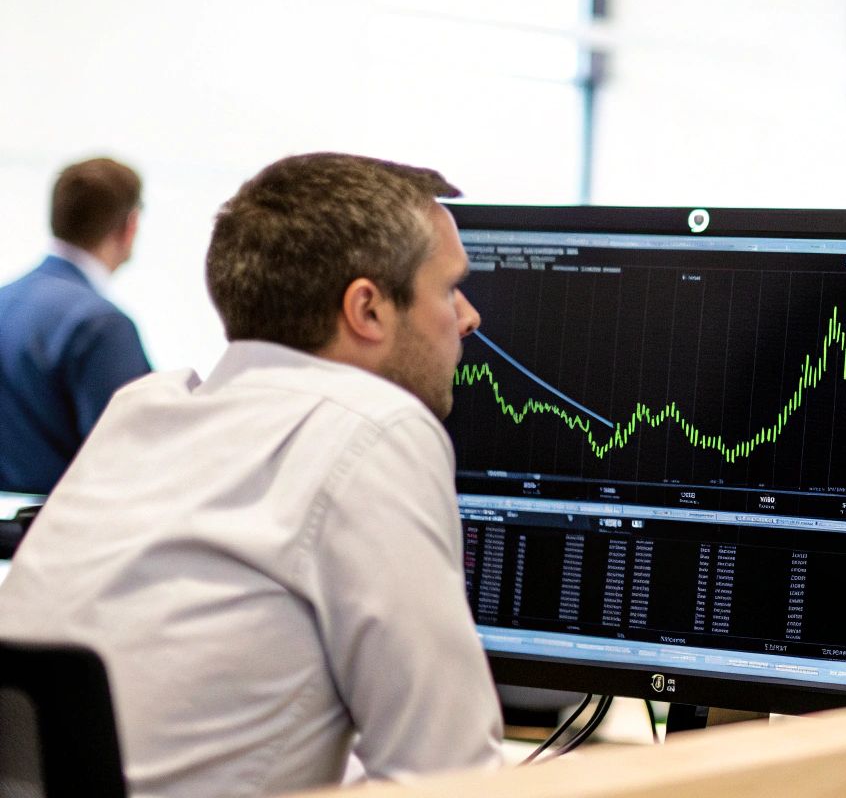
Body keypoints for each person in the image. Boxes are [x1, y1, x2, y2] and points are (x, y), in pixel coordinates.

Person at [0, 153, 504, 797]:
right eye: (448, 287)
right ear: (367, 309)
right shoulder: (373, 426)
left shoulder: (143, 412)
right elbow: (449, 777)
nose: (467, 317)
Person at [0, 157, 153, 493]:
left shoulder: (5, 301)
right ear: (130, 225)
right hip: (60, 537)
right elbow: (129, 460)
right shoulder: (101, 325)